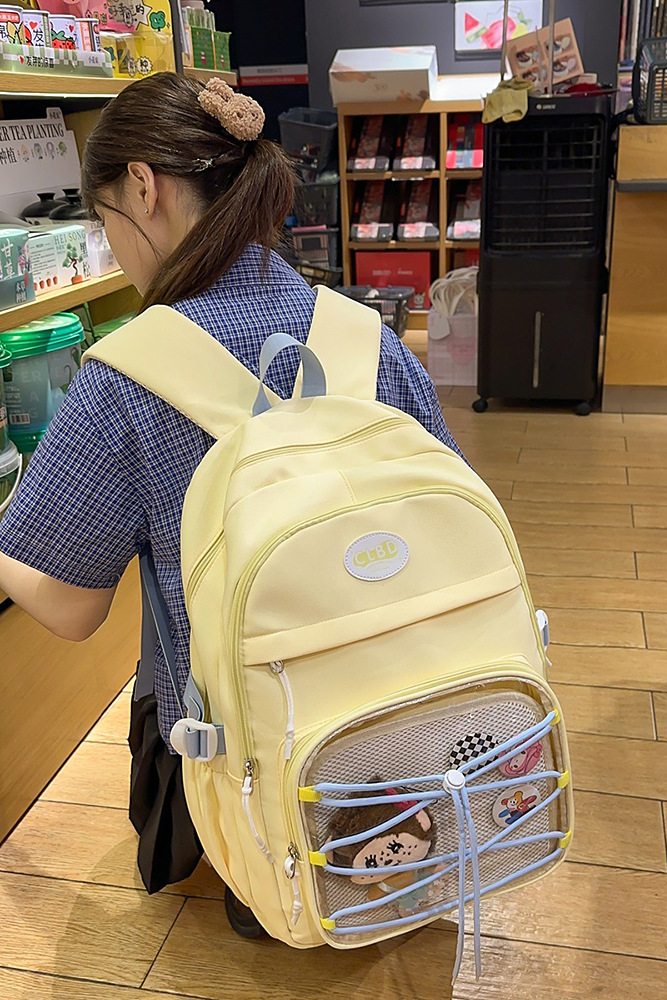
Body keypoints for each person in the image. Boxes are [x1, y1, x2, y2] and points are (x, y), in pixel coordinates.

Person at [0, 73, 462, 935]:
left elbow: (67, 607)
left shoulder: (125, 380)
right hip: (401, 714)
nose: (117, 250)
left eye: (106, 222)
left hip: (250, 753)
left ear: (145, 187)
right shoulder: (368, 337)